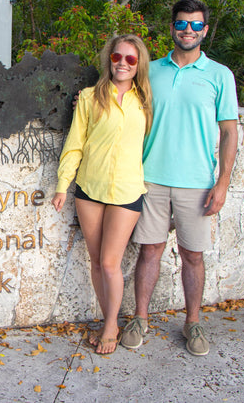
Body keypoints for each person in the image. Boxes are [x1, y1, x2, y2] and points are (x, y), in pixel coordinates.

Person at [120, 0, 238, 356]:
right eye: (182, 24)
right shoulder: (150, 69)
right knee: (150, 251)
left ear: (205, 30)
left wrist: (222, 184)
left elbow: (230, 132)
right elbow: (119, 99)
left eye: (196, 25)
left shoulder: (220, 75)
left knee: (193, 256)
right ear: (172, 28)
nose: (188, 30)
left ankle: (193, 322)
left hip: (198, 183)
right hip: (150, 178)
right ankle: (140, 318)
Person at [52, 34, 153, 355]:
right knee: (96, 261)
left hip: (127, 191)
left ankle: (111, 325)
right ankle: (108, 320)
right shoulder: (89, 98)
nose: (122, 63)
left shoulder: (147, 102)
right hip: (89, 189)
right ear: (109, 59)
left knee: (110, 262)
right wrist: (62, 186)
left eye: (130, 59)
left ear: (139, 66)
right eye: (117, 57)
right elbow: (75, 143)